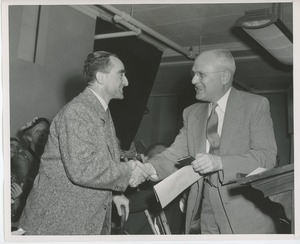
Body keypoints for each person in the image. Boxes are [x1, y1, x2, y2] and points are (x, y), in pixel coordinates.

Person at [140, 49, 278, 234]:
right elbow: (176, 152)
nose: (193, 81)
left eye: (201, 75)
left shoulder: (256, 105)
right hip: (202, 214)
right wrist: (151, 167)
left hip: (245, 216)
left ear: (224, 77)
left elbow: (266, 157)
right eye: (193, 74)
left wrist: (220, 162)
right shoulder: (191, 113)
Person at [19, 51, 146, 235]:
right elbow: (83, 169)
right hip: (54, 224)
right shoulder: (78, 111)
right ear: (101, 77)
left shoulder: (100, 111)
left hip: (75, 223)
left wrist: (115, 195)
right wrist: (129, 171)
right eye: (121, 74)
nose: (126, 82)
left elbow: (101, 162)